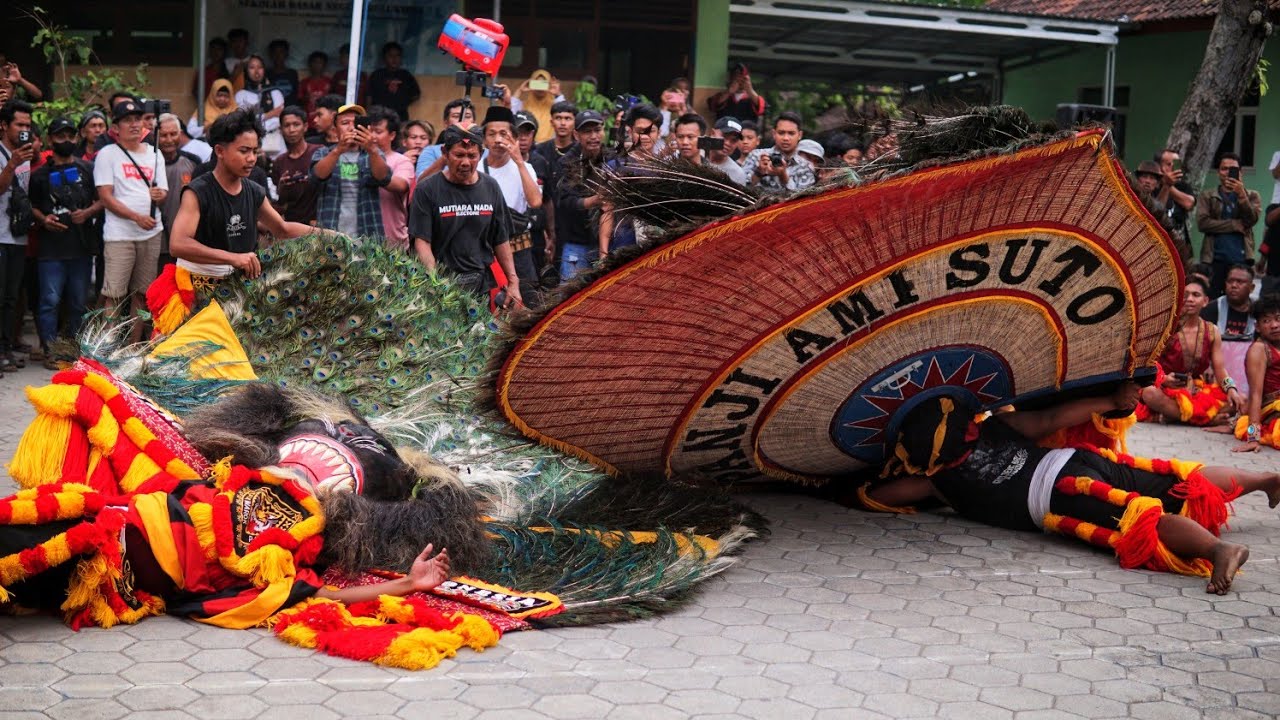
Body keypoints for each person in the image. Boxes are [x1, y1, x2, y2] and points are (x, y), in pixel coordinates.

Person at [858, 389, 1273, 595]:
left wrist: (841, 487)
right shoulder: (994, 427)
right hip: (1078, 460)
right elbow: (1053, 417)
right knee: (1176, 480)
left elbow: (879, 496)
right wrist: (1109, 398)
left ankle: (1217, 551)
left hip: (1062, 493)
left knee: (1140, 516)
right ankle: (1265, 481)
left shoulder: (934, 481)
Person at [167, 109, 321, 282]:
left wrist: (327, 234)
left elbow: (282, 229)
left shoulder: (254, 190)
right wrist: (233, 258)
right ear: (219, 151)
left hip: (241, 286)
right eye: (244, 151)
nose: (251, 159)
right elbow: (178, 244)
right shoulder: (198, 191)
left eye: (255, 151)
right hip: (198, 283)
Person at [408, 125, 520, 308]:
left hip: (480, 284)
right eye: (459, 155)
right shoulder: (427, 189)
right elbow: (422, 241)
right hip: (440, 284)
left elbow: (501, 239)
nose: (466, 162)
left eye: (472, 156)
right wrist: (435, 282)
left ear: (481, 154)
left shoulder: (491, 187)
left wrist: (513, 281)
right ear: (445, 153)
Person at [27, 116, 100, 367]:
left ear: (77, 138)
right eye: (61, 136)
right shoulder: (39, 175)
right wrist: (43, 219)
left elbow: (103, 199)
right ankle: (50, 349)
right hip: (50, 249)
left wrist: (87, 213)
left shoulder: (87, 169)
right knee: (49, 302)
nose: (66, 141)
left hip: (80, 247)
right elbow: (31, 206)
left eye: (70, 136)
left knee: (78, 303)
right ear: (50, 139)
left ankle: (73, 350)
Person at [94, 99, 168, 341]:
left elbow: (163, 193)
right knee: (114, 293)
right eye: (127, 120)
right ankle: (106, 347)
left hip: (151, 232)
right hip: (120, 235)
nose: (134, 124)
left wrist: (159, 195)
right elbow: (105, 196)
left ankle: (133, 346)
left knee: (142, 294)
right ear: (115, 127)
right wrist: (136, 217)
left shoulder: (156, 155)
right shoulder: (107, 154)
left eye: (138, 119)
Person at [1136, 277, 1242, 427]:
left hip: (1196, 389)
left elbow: (1220, 369)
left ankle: (1175, 416)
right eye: (1185, 295)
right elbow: (1147, 363)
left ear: (1205, 301)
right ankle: (1207, 420)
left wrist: (1231, 388)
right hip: (1165, 387)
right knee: (1149, 393)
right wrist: (1164, 379)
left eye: (1196, 295)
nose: (1190, 299)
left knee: (1239, 400)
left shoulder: (1213, 331)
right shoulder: (1165, 327)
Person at [480, 106, 542, 306]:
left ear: (514, 138)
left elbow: (535, 202)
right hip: (485, 250)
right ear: (484, 140)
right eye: (492, 134)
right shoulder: (476, 168)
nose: (498, 139)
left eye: (503, 134)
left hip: (519, 250)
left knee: (527, 308)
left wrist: (519, 162)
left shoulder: (524, 168)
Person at [310, 104, 391, 237]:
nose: (351, 127)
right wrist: (339, 150)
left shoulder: (373, 154)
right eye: (345, 123)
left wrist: (372, 149)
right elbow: (316, 175)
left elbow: (383, 178)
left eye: (356, 122)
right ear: (335, 130)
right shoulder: (324, 152)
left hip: (367, 233)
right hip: (331, 232)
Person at [0, 100, 35, 374]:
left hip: (17, 237)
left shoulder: (26, 157)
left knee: (11, 298)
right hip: (0, 236)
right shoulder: (10, 157)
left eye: (28, 125)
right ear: (4, 125)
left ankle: (6, 348)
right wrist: (12, 164)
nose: (24, 129)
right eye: (19, 124)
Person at [552, 110, 608, 280]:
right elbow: (564, 202)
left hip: (609, 243)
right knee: (570, 294)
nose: (593, 136)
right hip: (576, 242)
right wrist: (594, 200)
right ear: (576, 135)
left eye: (597, 130)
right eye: (587, 132)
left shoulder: (612, 158)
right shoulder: (566, 162)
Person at [1198, 153, 1261, 297]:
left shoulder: (1252, 196)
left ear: (1241, 172)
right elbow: (1203, 223)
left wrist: (1241, 196)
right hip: (1214, 259)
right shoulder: (1207, 196)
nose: (1227, 172)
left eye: (1232, 169)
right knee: (1212, 299)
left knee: (1239, 301)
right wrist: (1233, 225)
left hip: (1241, 260)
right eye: (1223, 168)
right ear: (1219, 171)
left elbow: (1251, 220)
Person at [1235, 294, 1280, 451]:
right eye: (1267, 321)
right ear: (1258, 327)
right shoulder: (1259, 349)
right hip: (1270, 412)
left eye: (1278, 318)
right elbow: (1255, 395)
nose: (1274, 325)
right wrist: (1253, 438)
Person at [367, 106, 414, 250]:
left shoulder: (401, 161)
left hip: (392, 243)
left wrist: (373, 154)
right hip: (359, 239)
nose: (372, 136)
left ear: (392, 135)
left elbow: (400, 185)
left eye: (378, 132)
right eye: (369, 130)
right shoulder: (356, 158)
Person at [155, 114, 199, 269]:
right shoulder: (148, 162)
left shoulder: (193, 162)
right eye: (163, 135)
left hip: (184, 241)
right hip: (155, 241)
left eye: (173, 134)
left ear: (180, 134)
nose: (169, 140)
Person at [512, 111, 551, 277]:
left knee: (533, 282)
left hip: (536, 234)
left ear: (533, 135)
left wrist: (552, 234)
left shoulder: (540, 162)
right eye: (518, 133)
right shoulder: (501, 162)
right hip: (511, 234)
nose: (523, 137)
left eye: (527, 133)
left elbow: (547, 200)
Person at [270, 106, 321, 226]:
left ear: (305, 127)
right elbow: (280, 204)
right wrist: (281, 189)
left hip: (318, 224)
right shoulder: (279, 162)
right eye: (286, 125)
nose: (291, 130)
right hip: (292, 225)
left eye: (296, 124)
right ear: (281, 129)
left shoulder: (318, 152)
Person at [742, 112, 815, 192]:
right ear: (774, 134)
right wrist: (758, 172)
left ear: (800, 135)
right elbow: (741, 188)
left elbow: (804, 200)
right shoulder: (756, 156)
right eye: (781, 133)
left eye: (791, 133)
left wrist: (783, 176)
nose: (786, 138)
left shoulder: (806, 167)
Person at [235, 56, 287, 159]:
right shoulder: (241, 95)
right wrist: (270, 114)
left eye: (260, 67)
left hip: (274, 140)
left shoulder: (275, 92)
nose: (256, 71)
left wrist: (257, 117)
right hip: (250, 141)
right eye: (252, 67)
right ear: (246, 71)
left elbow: (280, 117)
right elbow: (244, 119)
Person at [414, 99, 477, 179]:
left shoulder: (485, 153)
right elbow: (421, 182)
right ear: (446, 123)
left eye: (467, 117)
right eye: (456, 116)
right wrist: (446, 156)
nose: (462, 121)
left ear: (474, 122)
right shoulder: (431, 151)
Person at [1156, 149, 1196, 265]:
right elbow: (1156, 210)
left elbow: (1188, 203)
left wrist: (1168, 185)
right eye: (1168, 164)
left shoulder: (1183, 186)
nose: (1172, 167)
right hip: (1158, 244)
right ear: (1159, 166)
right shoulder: (1153, 185)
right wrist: (1164, 185)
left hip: (1180, 246)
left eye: (1176, 163)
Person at [366, 43, 421, 123]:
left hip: (400, 116)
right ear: (384, 58)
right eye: (390, 56)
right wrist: (368, 114)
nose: (394, 59)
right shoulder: (377, 75)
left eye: (397, 56)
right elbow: (369, 96)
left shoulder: (406, 75)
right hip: (379, 116)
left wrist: (402, 102)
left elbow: (416, 95)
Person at [510, 69, 559, 143]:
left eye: (543, 84)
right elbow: (510, 112)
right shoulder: (522, 106)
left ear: (549, 85)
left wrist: (557, 94)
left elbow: (565, 111)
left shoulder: (555, 106)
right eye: (536, 83)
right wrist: (520, 90)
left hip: (550, 148)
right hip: (528, 148)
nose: (540, 88)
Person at [707, 118, 748, 186]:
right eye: (725, 136)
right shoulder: (694, 157)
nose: (728, 143)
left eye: (734, 140)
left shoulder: (738, 174)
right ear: (712, 133)